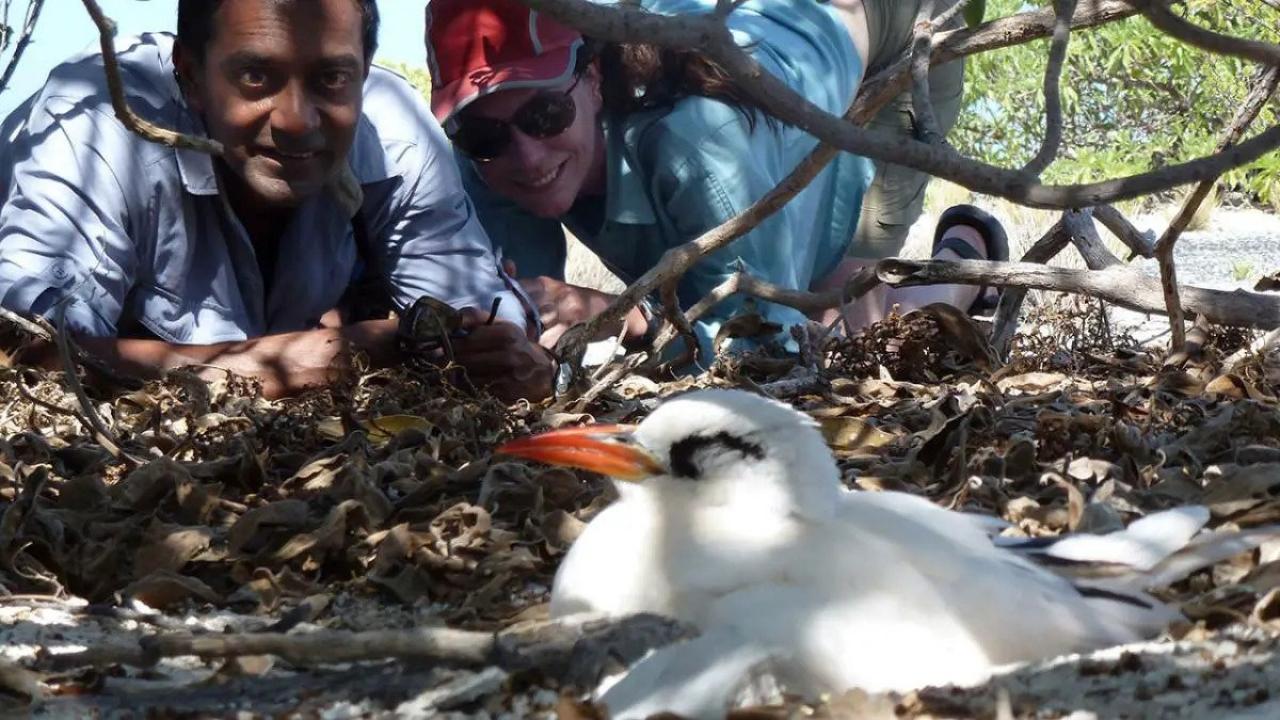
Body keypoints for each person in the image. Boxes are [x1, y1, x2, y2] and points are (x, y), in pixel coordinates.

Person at [0, 0, 555, 401]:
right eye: (256, 75)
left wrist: (506, 358)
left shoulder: (395, 131)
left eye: (332, 78)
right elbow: (27, 352)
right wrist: (315, 358)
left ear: (364, 72)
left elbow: (478, 329)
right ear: (189, 75)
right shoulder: (98, 123)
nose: (296, 122)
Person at [425, 0, 1008, 361]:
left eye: (545, 116)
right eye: (484, 136)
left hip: (894, 27)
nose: (524, 157)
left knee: (847, 326)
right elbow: (521, 314)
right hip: (757, 52)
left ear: (594, 79)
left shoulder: (695, 144)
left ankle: (971, 260)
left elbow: (764, 352)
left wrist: (622, 316)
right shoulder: (485, 164)